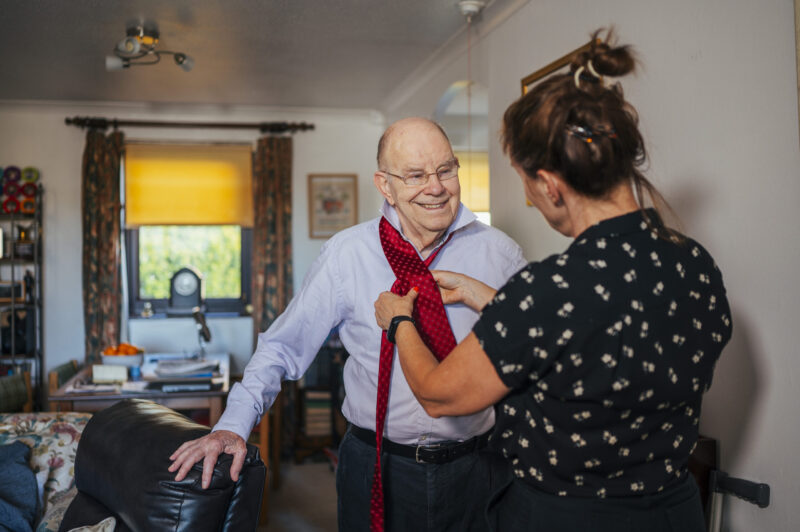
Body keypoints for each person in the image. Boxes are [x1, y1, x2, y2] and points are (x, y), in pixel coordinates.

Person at [373, 30, 732, 532]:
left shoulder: (548, 292)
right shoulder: (695, 264)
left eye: (526, 183)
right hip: (673, 512)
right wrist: (490, 299)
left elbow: (438, 395)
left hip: (566, 518)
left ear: (549, 184)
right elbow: (599, 338)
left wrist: (399, 322)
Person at [169, 116, 527, 531]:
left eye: (446, 170)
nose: (436, 187)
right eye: (415, 175)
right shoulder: (347, 254)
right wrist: (233, 425)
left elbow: (535, 352)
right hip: (375, 464)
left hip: (478, 466)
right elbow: (283, 346)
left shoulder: (501, 255)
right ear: (385, 185)